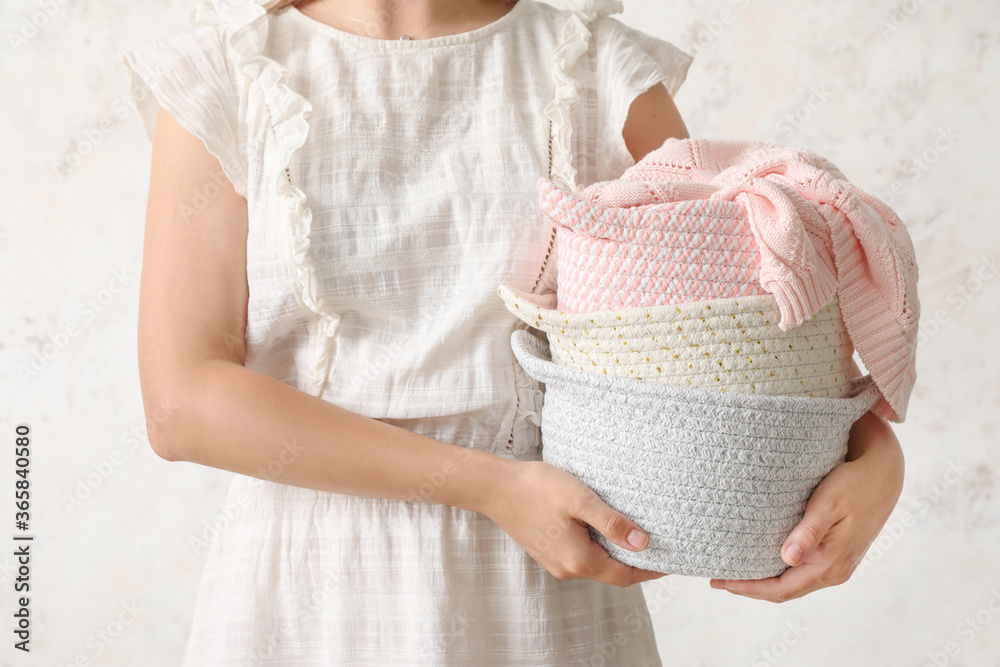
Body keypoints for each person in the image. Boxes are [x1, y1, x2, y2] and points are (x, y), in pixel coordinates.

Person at [123, 0, 905, 664]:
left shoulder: (597, 70)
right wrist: (492, 486)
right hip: (305, 594)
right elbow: (183, 403)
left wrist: (876, 455)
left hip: (545, 588)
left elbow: (727, 349)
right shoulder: (228, 75)